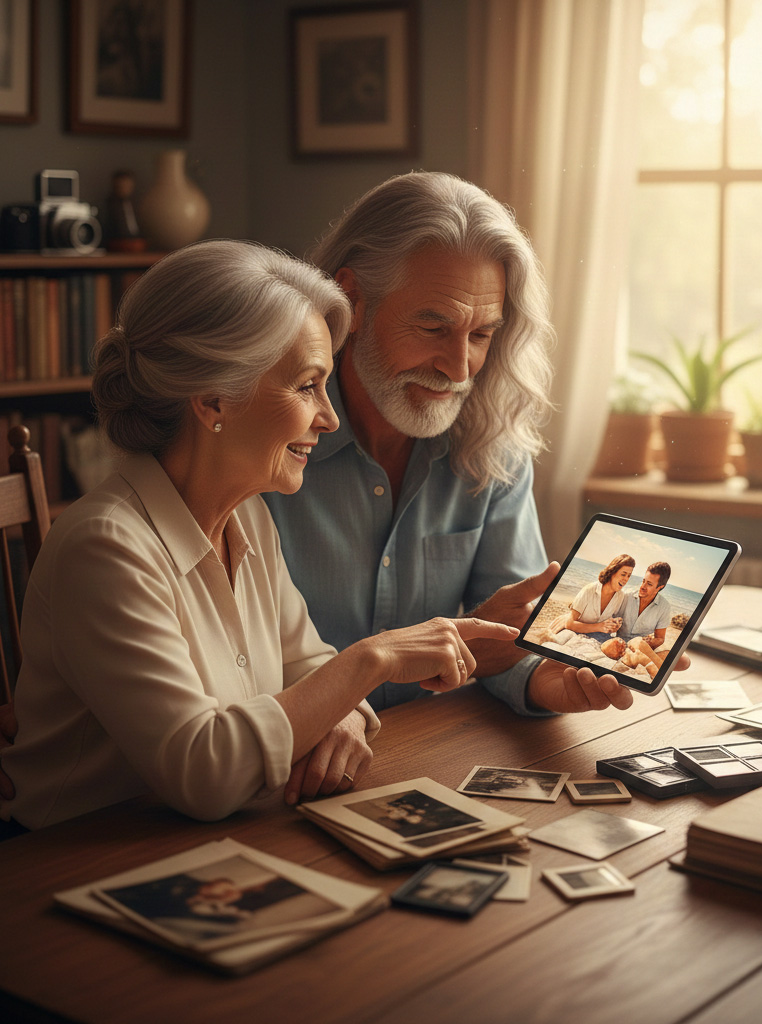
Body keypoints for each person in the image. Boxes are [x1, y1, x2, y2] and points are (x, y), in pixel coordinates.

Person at [0, 239, 519, 833]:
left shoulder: (247, 517)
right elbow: (205, 772)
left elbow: (308, 666)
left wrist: (344, 712)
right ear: (213, 397)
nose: (328, 416)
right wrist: (373, 659)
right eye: (306, 386)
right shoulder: (106, 547)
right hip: (70, 863)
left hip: (213, 839)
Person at [262, 171, 638, 766]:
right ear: (351, 302)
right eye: (433, 326)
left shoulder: (493, 442)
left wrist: (549, 682)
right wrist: (326, 713)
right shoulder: (267, 438)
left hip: (425, 753)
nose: (460, 368)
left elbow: (508, 633)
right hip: (283, 768)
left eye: (483, 334)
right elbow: (225, 661)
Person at [560, 554, 635, 641]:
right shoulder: (589, 590)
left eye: (629, 576)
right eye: (623, 574)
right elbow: (569, 624)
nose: (626, 579)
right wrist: (598, 627)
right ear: (612, 572)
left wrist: (614, 624)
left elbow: (610, 619)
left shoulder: (620, 596)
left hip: (599, 636)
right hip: (576, 633)